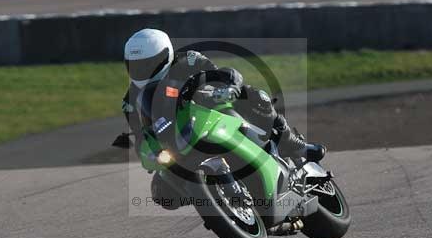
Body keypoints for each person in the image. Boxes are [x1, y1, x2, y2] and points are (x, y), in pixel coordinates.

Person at [121, 28, 325, 162]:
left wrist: (229, 88)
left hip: (211, 108)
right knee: (161, 192)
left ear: (166, 55)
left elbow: (220, 74)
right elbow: (140, 136)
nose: (143, 71)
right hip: (177, 139)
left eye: (149, 64)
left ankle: (292, 143)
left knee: (255, 95)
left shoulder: (189, 61)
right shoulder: (130, 101)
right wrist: (145, 151)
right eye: (136, 66)